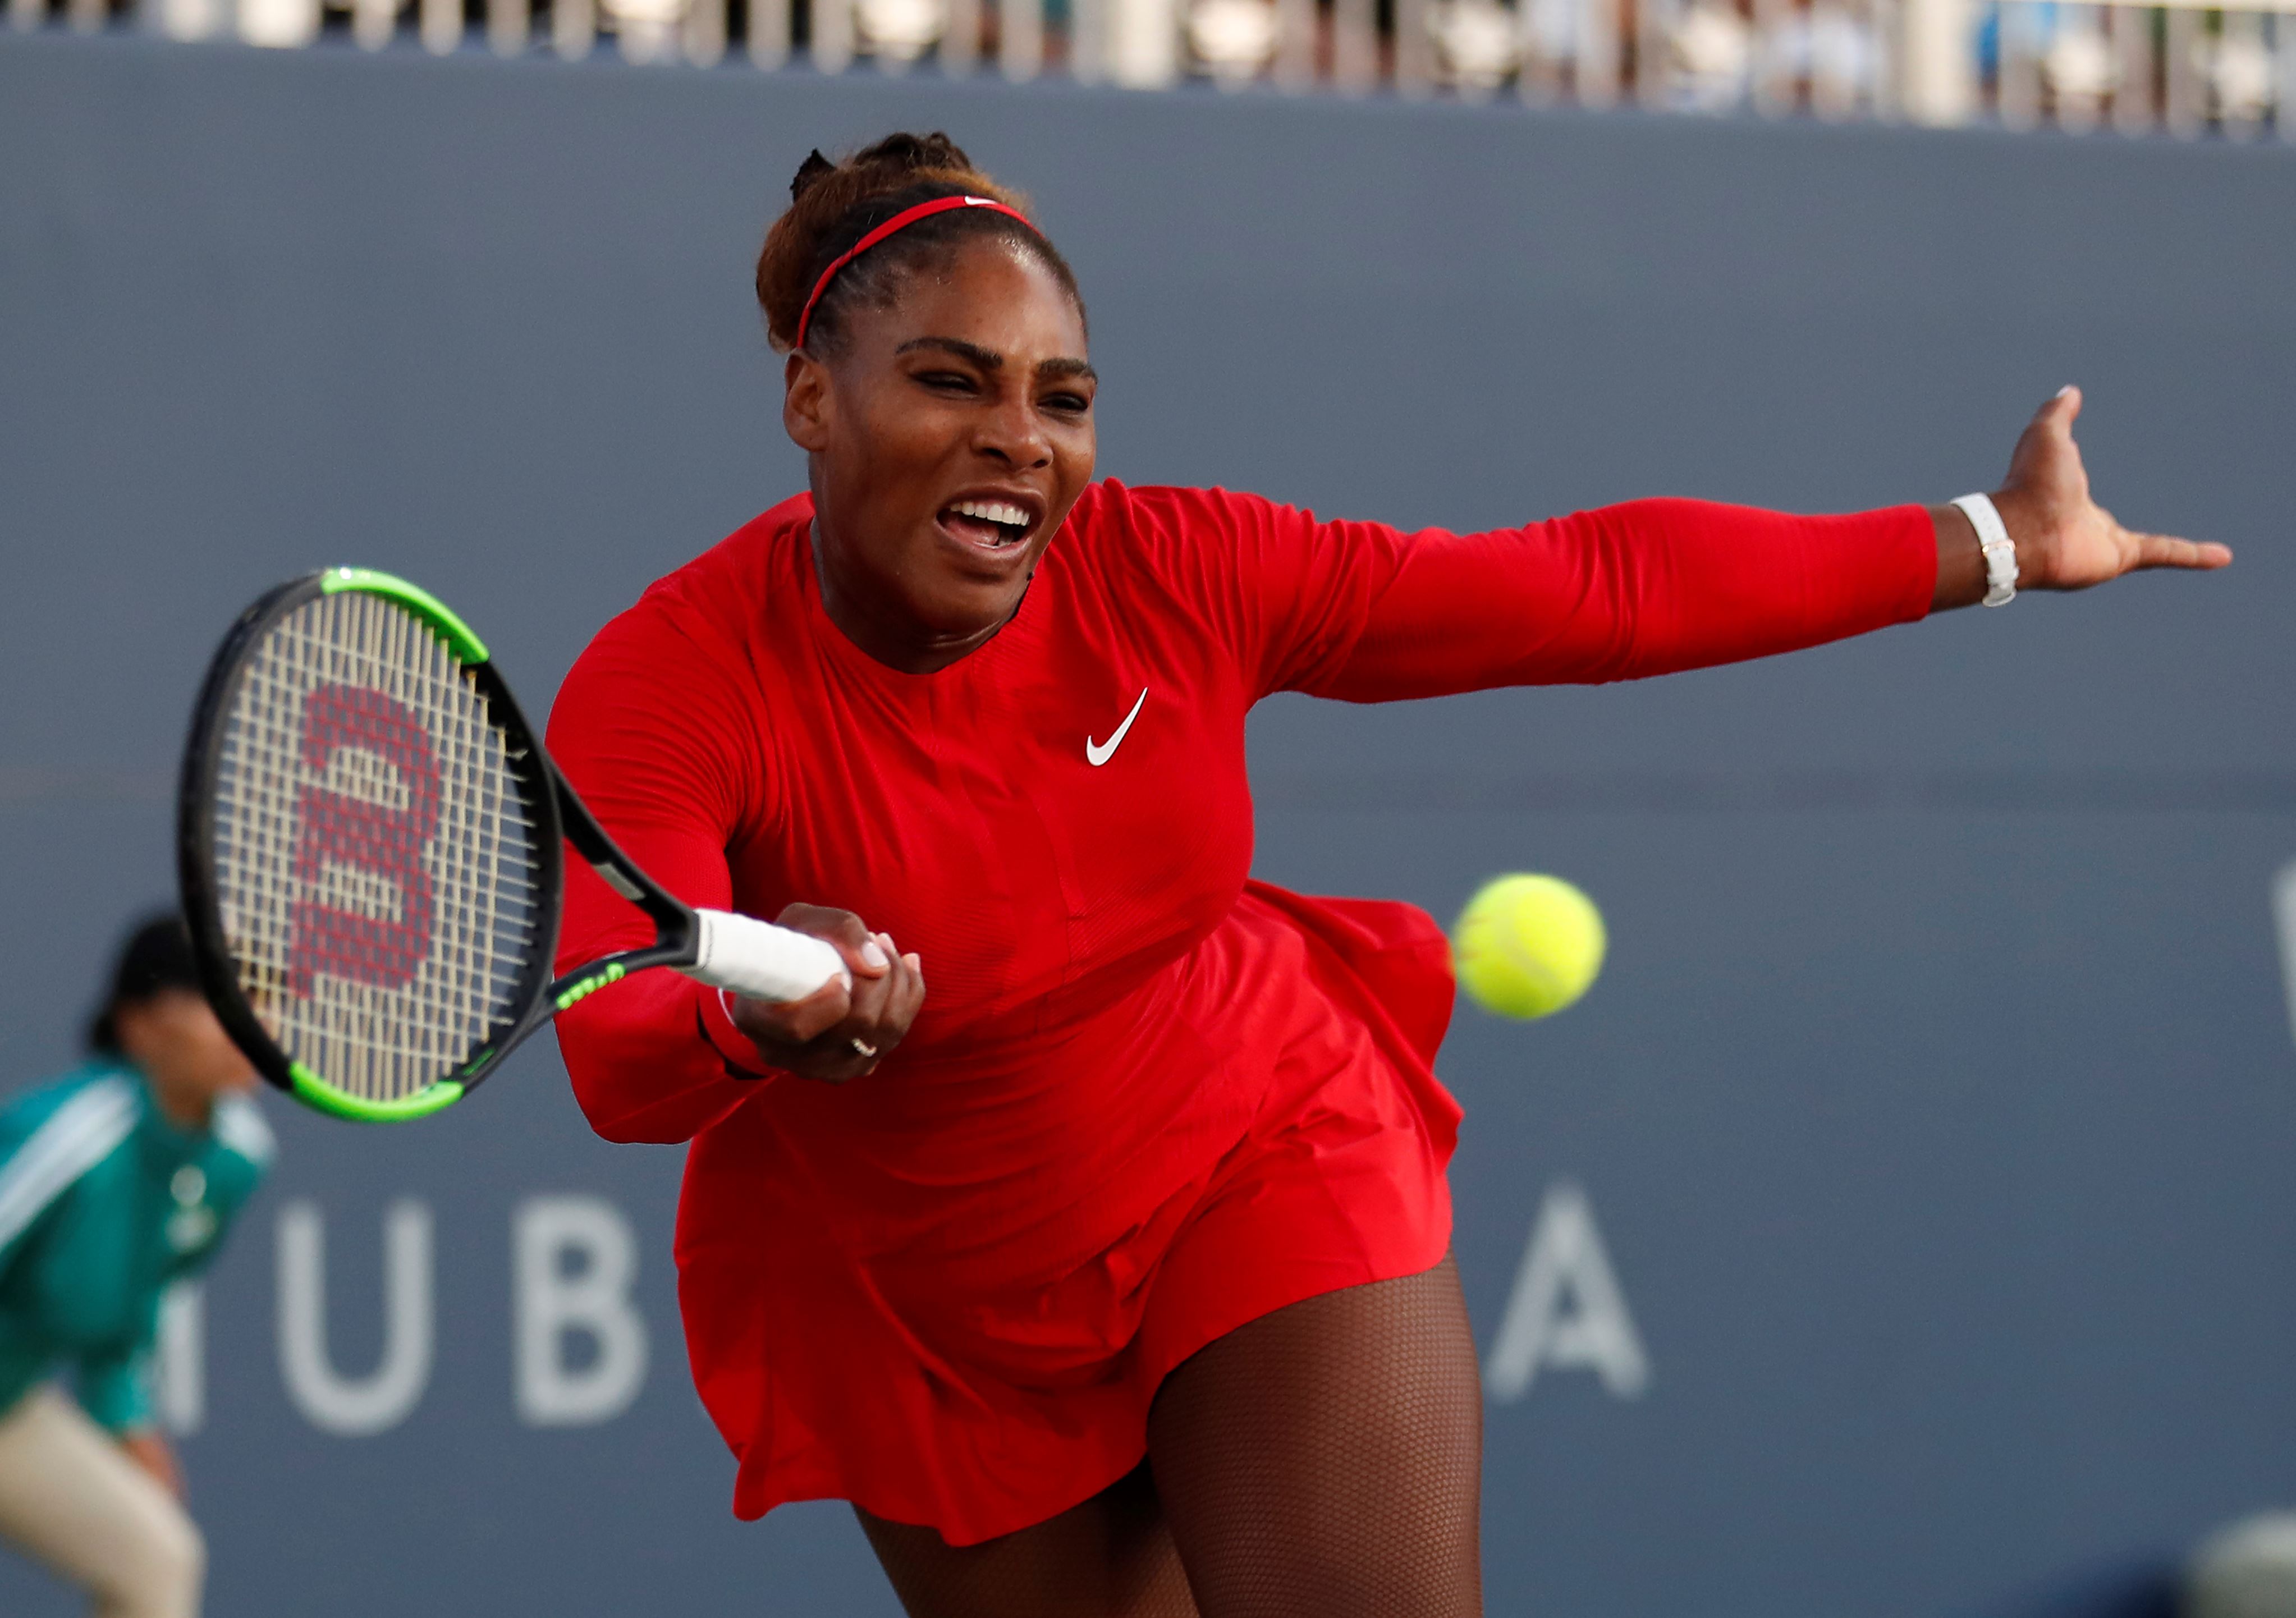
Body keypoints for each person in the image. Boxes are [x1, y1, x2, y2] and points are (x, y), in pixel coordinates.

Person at [546, 132, 2227, 1618]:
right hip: (922, 1295)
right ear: (808, 397)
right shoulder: (672, 682)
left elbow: (1585, 589)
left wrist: (1997, 538)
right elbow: (622, 1052)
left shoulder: (1174, 564)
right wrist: (766, 1022)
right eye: (949, 379)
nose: (1018, 442)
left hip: (1246, 1145)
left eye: (1060, 398)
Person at [0, 913, 272, 1618]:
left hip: (9, 1410)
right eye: (226, 998)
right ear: (142, 1026)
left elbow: (136, 1311)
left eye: (267, 997)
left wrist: (126, 1420)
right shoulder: (69, 1140)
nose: (257, 1020)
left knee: (156, 1555)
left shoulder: (237, 1157)